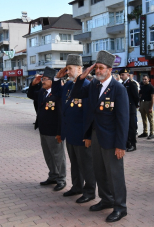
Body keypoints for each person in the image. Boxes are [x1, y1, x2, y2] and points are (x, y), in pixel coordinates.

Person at [71, 50, 129, 223]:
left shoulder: (118, 89)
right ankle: (106, 200)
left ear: (110, 70)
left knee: (114, 174)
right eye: (96, 68)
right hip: (96, 136)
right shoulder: (94, 86)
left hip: (112, 140)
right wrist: (83, 76)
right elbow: (76, 94)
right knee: (99, 170)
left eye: (101, 68)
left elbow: (123, 120)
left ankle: (120, 207)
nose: (98, 71)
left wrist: (121, 145)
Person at [52, 54, 96, 203]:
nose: (68, 72)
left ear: (80, 69)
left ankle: (89, 191)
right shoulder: (69, 85)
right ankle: (77, 186)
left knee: (86, 164)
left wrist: (88, 135)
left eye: (70, 69)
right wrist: (57, 78)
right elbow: (57, 94)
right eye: (67, 69)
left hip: (82, 134)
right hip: (70, 133)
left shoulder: (87, 86)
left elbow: (89, 114)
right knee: (75, 163)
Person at [27, 67, 66, 192]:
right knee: (48, 155)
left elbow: (61, 114)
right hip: (43, 130)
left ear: (51, 81)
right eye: (42, 79)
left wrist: (60, 132)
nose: (42, 81)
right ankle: (53, 176)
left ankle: (61, 179)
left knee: (58, 156)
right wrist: (33, 84)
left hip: (55, 131)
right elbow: (30, 94)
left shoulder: (58, 94)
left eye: (45, 79)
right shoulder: (42, 92)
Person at [119, 68, 139, 152]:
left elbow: (136, 97)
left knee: (132, 127)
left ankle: (133, 144)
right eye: (121, 75)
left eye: (123, 75)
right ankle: (127, 143)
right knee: (125, 127)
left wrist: (133, 106)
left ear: (128, 75)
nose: (121, 76)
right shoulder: (122, 84)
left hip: (130, 109)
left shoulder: (132, 84)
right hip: (124, 109)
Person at [138, 75, 154, 139]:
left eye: (145, 79)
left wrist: (151, 107)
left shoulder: (151, 87)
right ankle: (145, 132)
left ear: (148, 79)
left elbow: (152, 97)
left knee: (150, 119)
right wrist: (140, 105)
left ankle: (152, 133)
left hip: (148, 103)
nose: (144, 80)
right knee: (143, 118)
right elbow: (140, 95)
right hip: (142, 102)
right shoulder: (142, 86)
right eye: (143, 79)